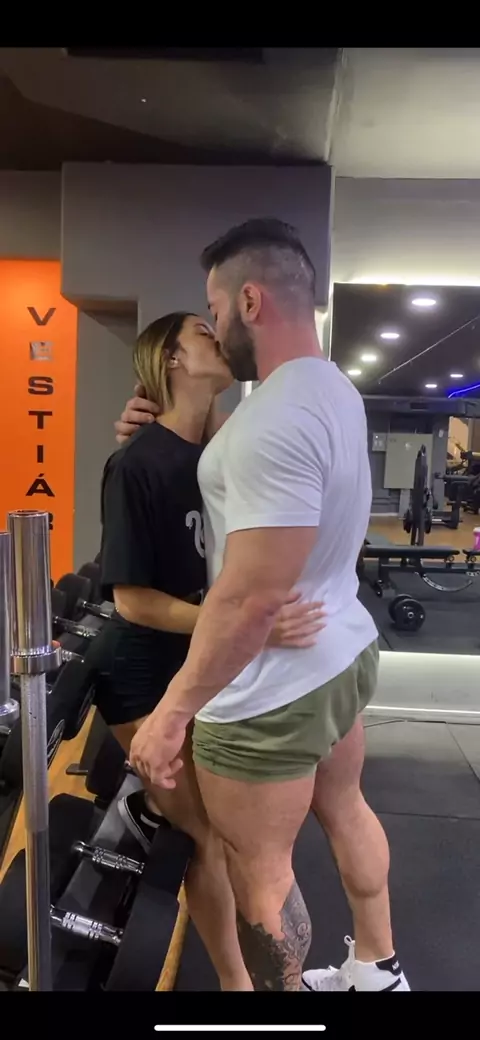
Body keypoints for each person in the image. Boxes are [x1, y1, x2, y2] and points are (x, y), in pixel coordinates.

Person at [119, 218, 411, 994]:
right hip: (342, 651)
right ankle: (377, 970)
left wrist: (172, 714)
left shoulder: (272, 420)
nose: (215, 327)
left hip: (269, 692)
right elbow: (251, 463)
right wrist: (160, 423)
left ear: (249, 301)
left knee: (260, 868)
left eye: (215, 310)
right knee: (346, 807)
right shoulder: (328, 389)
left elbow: (249, 598)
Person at [98, 310, 326, 992]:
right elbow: (131, 601)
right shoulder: (135, 464)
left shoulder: (216, 454)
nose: (217, 338)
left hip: (198, 664)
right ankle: (236, 985)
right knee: (206, 834)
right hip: (140, 671)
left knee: (228, 834)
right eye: (202, 332)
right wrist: (239, 625)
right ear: (171, 358)